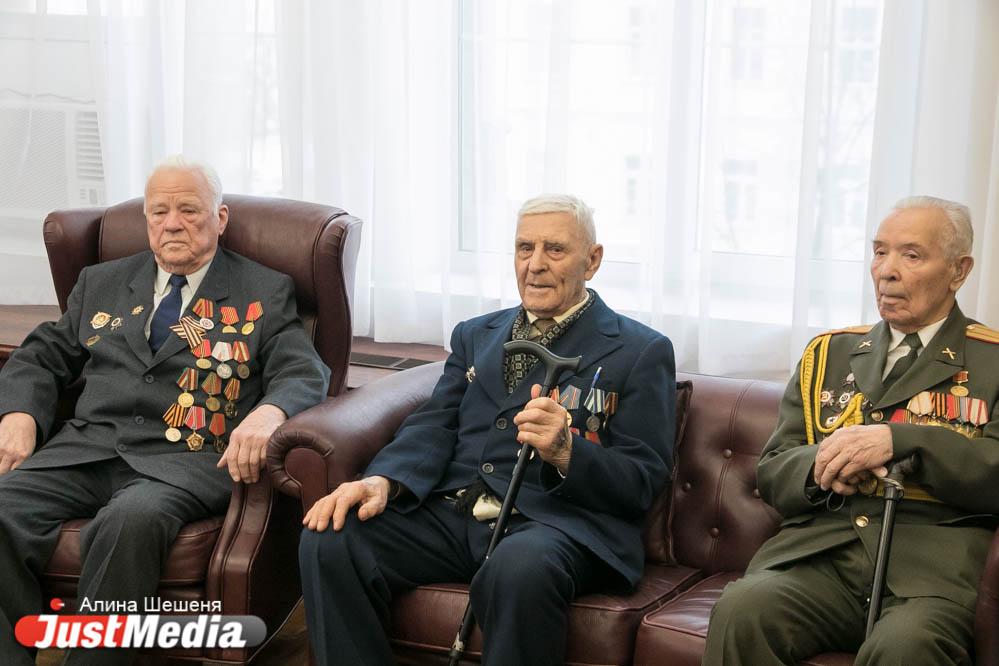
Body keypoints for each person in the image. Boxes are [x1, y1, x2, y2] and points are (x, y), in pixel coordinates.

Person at [299, 194, 676, 665]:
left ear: (593, 260)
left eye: (555, 249)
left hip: (554, 526)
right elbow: (436, 423)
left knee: (517, 569)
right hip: (454, 514)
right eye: (524, 248)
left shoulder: (640, 351)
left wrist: (567, 452)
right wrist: (383, 480)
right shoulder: (475, 334)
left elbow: (642, 480)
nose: (535, 265)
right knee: (331, 538)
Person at [0, 155, 331, 666]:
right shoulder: (101, 282)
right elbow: (42, 355)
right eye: (159, 212)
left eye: (188, 210)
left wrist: (270, 413)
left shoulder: (262, 291)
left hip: (183, 461)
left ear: (219, 218)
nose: (172, 223)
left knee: (129, 522)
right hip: (87, 449)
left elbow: (303, 370)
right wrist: (20, 414)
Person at [704, 196, 998, 665]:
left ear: (959, 271)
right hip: (822, 559)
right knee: (743, 610)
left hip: (930, 574)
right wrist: (821, 465)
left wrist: (902, 442)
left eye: (911, 255)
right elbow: (774, 471)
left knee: (905, 648)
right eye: (880, 252)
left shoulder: (991, 360)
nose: (886, 271)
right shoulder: (829, 353)